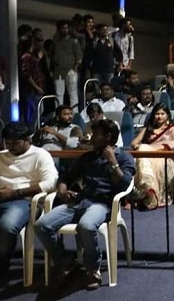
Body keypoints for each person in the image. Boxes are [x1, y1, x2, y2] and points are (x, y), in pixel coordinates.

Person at [35, 119, 134, 290]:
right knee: (42, 224)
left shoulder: (124, 157)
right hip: (80, 201)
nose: (91, 138)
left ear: (108, 137)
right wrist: (62, 190)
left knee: (86, 226)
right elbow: (67, 177)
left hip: (103, 204)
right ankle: (64, 260)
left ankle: (92, 268)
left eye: (95, 135)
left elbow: (125, 184)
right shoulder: (88, 157)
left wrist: (112, 161)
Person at [0, 123, 57, 281]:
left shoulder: (40, 155)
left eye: (16, 143)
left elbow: (51, 183)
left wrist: (15, 192)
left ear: (28, 140)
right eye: (8, 143)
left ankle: (2, 263)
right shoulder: (2, 156)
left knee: (7, 225)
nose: (11, 147)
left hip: (24, 200)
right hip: (2, 197)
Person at [129, 104, 174, 210]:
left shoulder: (173, 128)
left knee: (143, 150)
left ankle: (149, 192)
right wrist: (138, 146)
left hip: (163, 157)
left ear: (167, 115)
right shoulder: (148, 128)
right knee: (143, 150)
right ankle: (148, 191)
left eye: (162, 114)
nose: (159, 116)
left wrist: (161, 147)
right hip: (146, 156)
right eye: (157, 114)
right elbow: (134, 143)